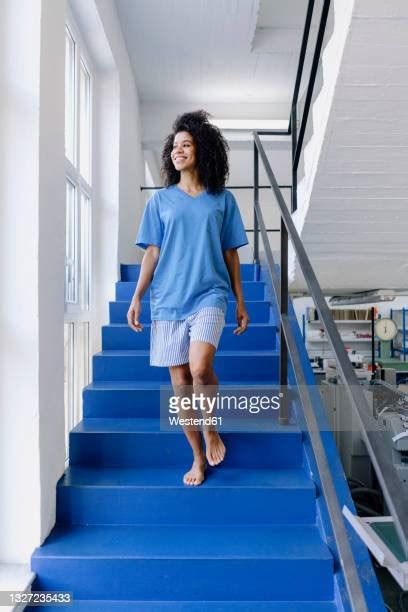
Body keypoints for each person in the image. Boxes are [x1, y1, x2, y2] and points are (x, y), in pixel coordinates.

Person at [128, 109, 249, 486]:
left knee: (199, 368)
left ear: (203, 150)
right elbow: (152, 253)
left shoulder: (222, 200)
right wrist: (136, 298)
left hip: (210, 294)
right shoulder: (160, 202)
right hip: (167, 300)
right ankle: (197, 457)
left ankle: (212, 429)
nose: (179, 151)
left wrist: (240, 301)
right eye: (175, 146)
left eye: (187, 144)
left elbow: (231, 252)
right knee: (180, 384)